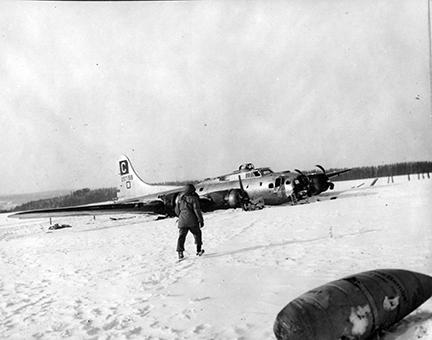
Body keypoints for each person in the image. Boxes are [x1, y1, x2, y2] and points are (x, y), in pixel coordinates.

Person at [175, 183, 204, 260]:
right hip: (192, 221)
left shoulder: (180, 199)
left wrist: (181, 217)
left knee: (181, 237)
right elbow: (197, 210)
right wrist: (200, 220)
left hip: (182, 221)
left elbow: (177, 211)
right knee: (197, 234)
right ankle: (198, 250)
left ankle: (180, 252)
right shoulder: (194, 198)